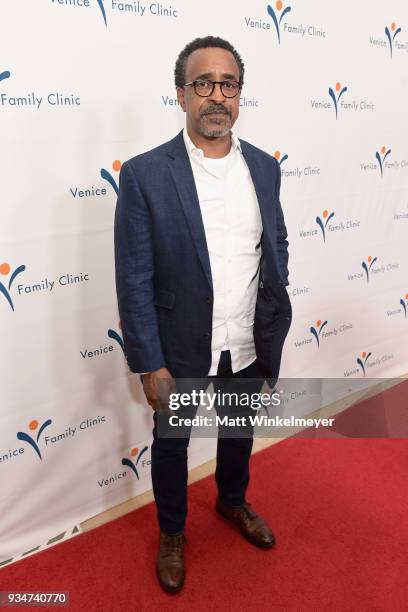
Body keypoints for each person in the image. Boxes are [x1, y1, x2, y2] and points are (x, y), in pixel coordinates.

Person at [114, 36, 292, 593]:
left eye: (228, 84)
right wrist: (149, 363)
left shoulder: (264, 167)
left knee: (238, 431)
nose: (217, 96)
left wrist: (274, 323)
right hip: (180, 342)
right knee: (173, 442)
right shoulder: (146, 174)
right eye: (204, 84)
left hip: (247, 338)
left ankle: (232, 502)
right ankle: (172, 532)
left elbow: (276, 245)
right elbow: (134, 274)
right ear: (181, 93)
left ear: (240, 94)